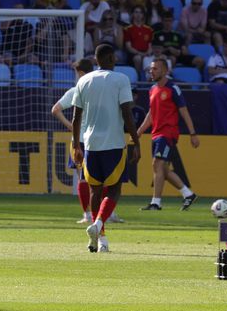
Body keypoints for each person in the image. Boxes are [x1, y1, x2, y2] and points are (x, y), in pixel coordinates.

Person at [70, 43, 139, 253]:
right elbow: (127, 113)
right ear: (110, 58)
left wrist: (76, 144)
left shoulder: (83, 81)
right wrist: (136, 141)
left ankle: (100, 240)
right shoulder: (121, 79)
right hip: (114, 144)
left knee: (95, 191)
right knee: (114, 190)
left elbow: (75, 118)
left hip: (90, 144)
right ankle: (99, 223)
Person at [137, 57, 199, 211]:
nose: (151, 71)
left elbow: (184, 112)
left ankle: (156, 203)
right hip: (156, 134)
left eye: (155, 69)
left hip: (168, 134)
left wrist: (193, 134)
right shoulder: (152, 89)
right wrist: (140, 130)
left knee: (157, 164)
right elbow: (151, 114)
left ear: (165, 70)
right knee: (162, 169)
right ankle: (188, 194)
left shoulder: (173, 88)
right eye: (150, 69)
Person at [52, 58, 104, 225]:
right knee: (103, 178)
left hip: (80, 140)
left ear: (80, 73)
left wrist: (70, 126)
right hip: (99, 139)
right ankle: (105, 214)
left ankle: (87, 214)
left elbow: (55, 109)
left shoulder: (76, 91)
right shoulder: (101, 91)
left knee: (82, 177)